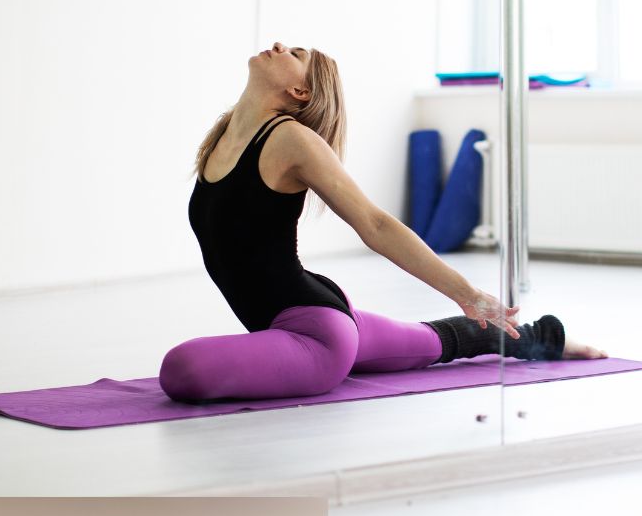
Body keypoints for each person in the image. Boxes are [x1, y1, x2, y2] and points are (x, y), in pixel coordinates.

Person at [159, 43, 603, 403]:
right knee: (439, 341)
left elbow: (374, 223)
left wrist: (469, 294)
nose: (278, 46)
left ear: (302, 93)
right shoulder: (221, 137)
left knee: (182, 370)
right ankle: (540, 338)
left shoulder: (291, 139)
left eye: (295, 54)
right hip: (310, 315)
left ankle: (521, 334)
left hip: (315, 335)